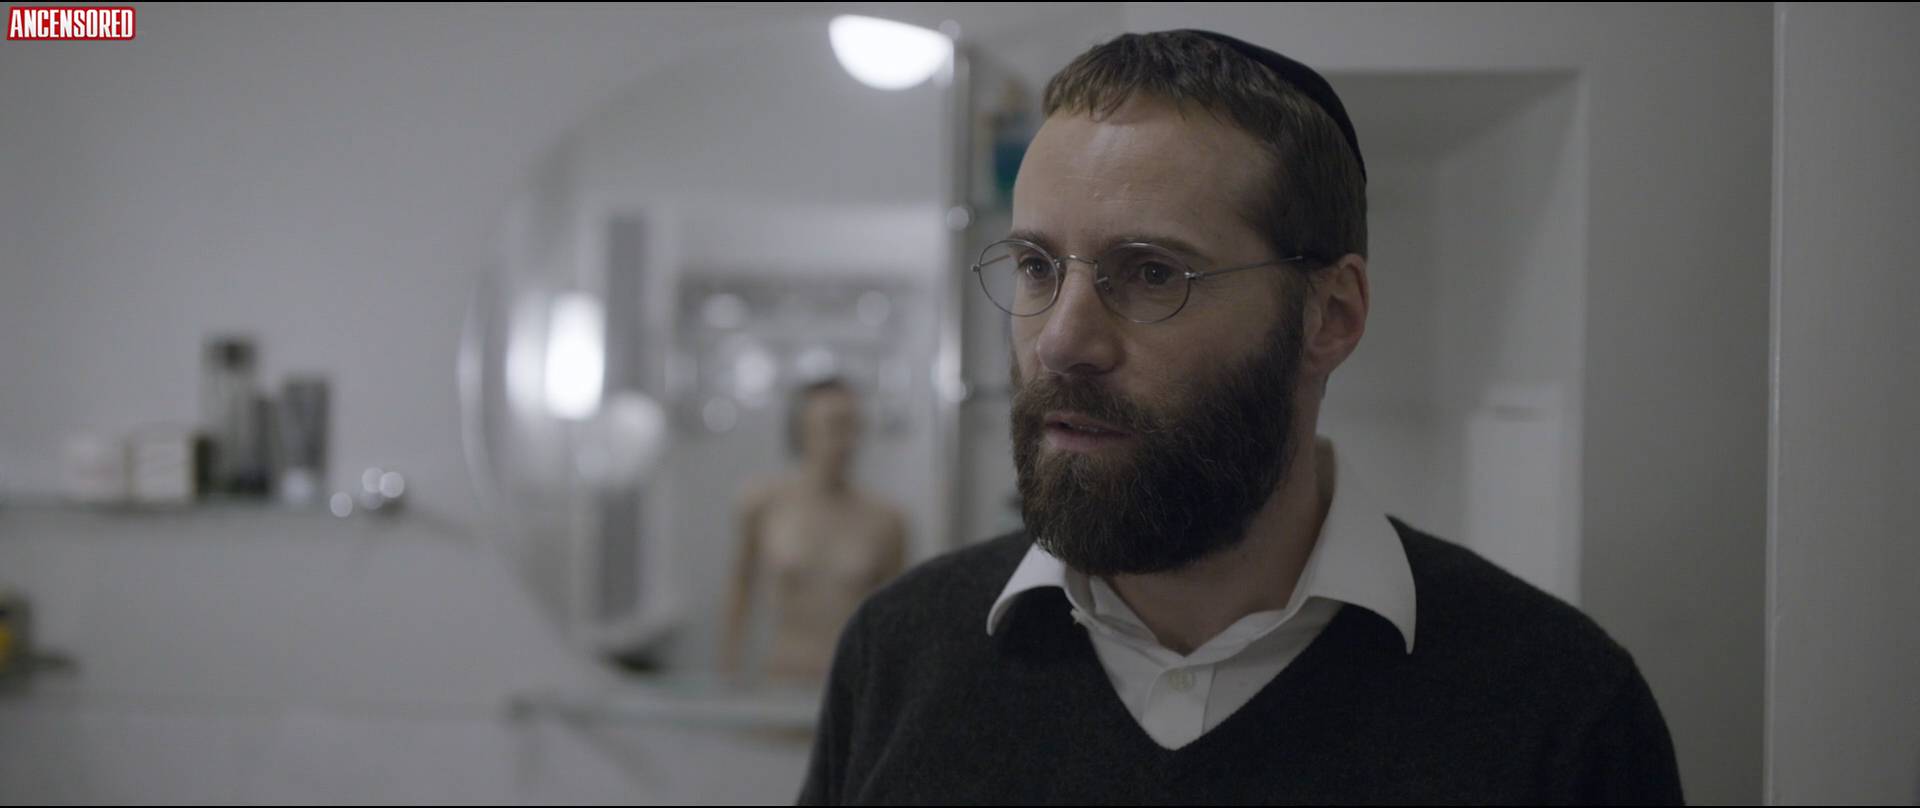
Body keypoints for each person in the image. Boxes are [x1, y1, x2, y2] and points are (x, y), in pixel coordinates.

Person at [798, 29, 1683, 804]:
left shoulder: (1559, 709)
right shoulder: (897, 654)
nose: (1061, 343)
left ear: (1330, 317)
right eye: (1036, 267)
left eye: (1152, 273)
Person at [721, 376, 907, 685]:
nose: (845, 440)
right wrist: (729, 673)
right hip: (782, 680)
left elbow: (895, 620)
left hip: (852, 684)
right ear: (802, 428)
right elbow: (739, 595)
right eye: (833, 425)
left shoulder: (885, 520)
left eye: (852, 426)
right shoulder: (764, 505)